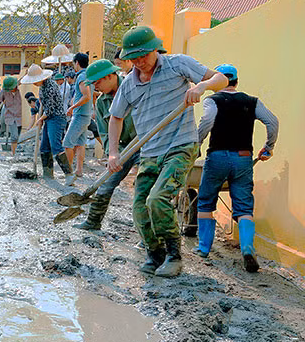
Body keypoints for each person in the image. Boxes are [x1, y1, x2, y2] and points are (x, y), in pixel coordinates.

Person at [108, 26, 228, 278]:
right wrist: (112, 152)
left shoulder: (178, 65)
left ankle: (174, 256)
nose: (140, 62)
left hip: (180, 146)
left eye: (144, 55)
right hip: (150, 151)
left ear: (156, 49)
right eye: (134, 58)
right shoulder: (129, 84)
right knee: (140, 206)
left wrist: (202, 86)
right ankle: (155, 254)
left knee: (158, 199)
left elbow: (221, 79)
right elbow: (116, 118)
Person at [194, 64, 278, 273]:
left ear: (218, 82)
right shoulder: (251, 101)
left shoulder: (212, 100)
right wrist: (268, 147)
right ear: (236, 81)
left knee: (205, 201)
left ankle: (203, 248)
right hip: (243, 159)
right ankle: (247, 247)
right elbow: (272, 122)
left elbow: (208, 120)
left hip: (217, 158)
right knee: (243, 206)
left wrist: (196, 144)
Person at [74, 59, 138, 231]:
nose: (95, 87)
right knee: (105, 184)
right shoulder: (102, 102)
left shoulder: (135, 88)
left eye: (97, 82)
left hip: (145, 145)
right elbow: (104, 133)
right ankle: (93, 221)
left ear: (110, 76)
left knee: (143, 190)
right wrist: (112, 153)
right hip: (123, 148)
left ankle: (147, 237)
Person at [23, 64, 73, 180]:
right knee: (44, 147)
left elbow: (50, 109)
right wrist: (41, 117)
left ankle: (69, 174)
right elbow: (43, 105)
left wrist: (40, 119)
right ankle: (48, 174)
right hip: (48, 118)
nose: (34, 83)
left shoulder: (50, 87)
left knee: (55, 146)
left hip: (56, 118)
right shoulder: (42, 87)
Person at [62, 53, 94, 185]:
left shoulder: (81, 76)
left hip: (80, 115)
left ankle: (68, 174)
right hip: (86, 114)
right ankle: (79, 170)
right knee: (80, 144)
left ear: (76, 63)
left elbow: (86, 96)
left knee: (67, 143)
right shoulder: (89, 76)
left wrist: (72, 107)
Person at [0, 75, 22, 156]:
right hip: (10, 116)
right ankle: (14, 155)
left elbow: (21, 80)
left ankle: (15, 152)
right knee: (14, 136)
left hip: (19, 116)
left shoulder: (16, 87)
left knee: (18, 136)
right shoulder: (3, 91)